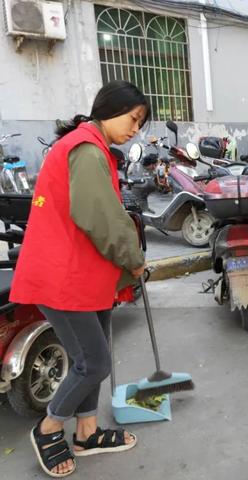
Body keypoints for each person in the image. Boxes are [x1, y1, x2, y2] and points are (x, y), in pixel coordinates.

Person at [10, 80, 149, 477]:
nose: (135, 129)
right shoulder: (86, 149)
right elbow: (100, 217)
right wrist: (133, 257)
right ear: (108, 108)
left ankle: (86, 433)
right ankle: (50, 426)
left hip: (85, 276)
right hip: (63, 277)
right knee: (94, 362)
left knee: (92, 354)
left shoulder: (90, 145)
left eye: (140, 124)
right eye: (133, 118)